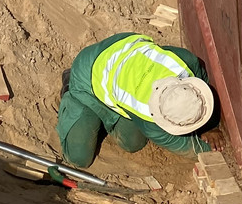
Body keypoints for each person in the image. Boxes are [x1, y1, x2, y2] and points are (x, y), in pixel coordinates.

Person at [56, 32, 216, 168]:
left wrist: (210, 127)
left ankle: (108, 114)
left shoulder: (185, 61)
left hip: (122, 55)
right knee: (79, 158)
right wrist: (216, 154)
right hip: (88, 77)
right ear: (161, 118)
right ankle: (70, 89)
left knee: (132, 144)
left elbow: (201, 83)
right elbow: (187, 147)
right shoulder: (149, 120)